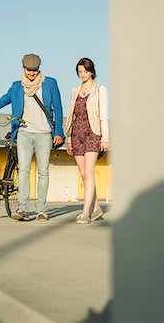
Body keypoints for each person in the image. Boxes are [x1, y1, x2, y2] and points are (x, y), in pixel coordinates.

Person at [0, 53, 64, 221]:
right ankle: (23, 208)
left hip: (44, 133)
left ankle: (42, 210)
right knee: (24, 170)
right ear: (23, 68)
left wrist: (58, 132)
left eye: (35, 70)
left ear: (39, 69)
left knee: (43, 172)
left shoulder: (50, 83)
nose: (32, 74)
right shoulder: (16, 87)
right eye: (29, 70)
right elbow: (1, 102)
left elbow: (58, 107)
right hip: (23, 132)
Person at [65, 58, 109, 224]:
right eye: (80, 72)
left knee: (89, 173)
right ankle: (97, 208)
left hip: (93, 133)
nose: (82, 74)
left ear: (91, 71)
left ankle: (85, 212)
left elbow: (103, 115)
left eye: (85, 71)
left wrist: (105, 138)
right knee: (83, 174)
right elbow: (72, 116)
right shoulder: (74, 91)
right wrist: (69, 138)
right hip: (77, 134)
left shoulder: (100, 90)